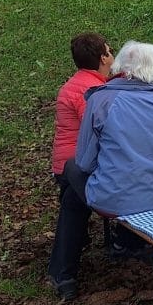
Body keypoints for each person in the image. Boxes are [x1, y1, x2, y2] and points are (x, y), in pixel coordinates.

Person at [48, 42, 153, 301]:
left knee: (72, 178)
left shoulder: (100, 98)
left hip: (114, 198)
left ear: (118, 65)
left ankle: (64, 274)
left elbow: (84, 162)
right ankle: (125, 243)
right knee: (79, 191)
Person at [51, 33, 114, 189]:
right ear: (103, 58)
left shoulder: (78, 83)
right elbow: (99, 128)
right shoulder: (91, 90)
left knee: (73, 206)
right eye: (110, 50)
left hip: (66, 162)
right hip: (79, 165)